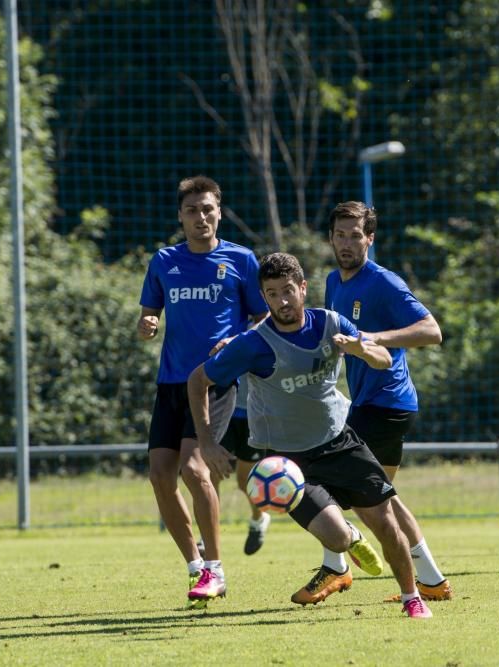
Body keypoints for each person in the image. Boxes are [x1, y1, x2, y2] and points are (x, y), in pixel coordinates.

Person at [187, 252, 435, 618]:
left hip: (340, 442)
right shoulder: (253, 345)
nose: (282, 301)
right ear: (264, 297)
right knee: (336, 538)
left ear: (303, 289)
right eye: (272, 294)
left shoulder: (331, 323)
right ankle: (348, 538)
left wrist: (361, 350)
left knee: (386, 520)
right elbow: (198, 381)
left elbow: (383, 358)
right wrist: (206, 441)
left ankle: (411, 598)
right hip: (289, 463)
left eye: (288, 291)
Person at [137, 175, 268, 607]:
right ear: (181, 216)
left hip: (214, 381)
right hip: (171, 382)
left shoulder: (241, 260)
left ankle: (216, 568)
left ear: (219, 212)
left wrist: (237, 343)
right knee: (159, 474)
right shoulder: (164, 262)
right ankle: (195, 566)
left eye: (208, 208)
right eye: (192, 210)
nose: (200, 217)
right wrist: (148, 325)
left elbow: (263, 319)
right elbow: (149, 315)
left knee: (194, 470)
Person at [313, 200, 451, 605]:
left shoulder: (384, 282)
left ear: (369, 239)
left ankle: (336, 569)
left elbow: (432, 331)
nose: (346, 243)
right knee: (380, 497)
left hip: (387, 403)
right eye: (340, 235)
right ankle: (431, 580)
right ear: (331, 238)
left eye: (355, 235)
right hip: (368, 404)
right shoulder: (333, 282)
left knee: (339, 489)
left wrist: (374, 339)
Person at [221, 375, 272, 555]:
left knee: (245, 482)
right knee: (208, 472)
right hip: (223, 410)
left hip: (254, 415)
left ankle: (258, 519)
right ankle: (207, 537)